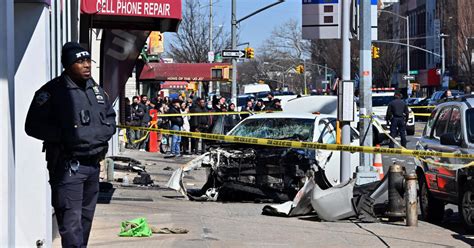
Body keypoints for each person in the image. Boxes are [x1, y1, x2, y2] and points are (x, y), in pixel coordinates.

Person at [25, 42, 116, 247]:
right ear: (67, 65)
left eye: (87, 61)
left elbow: (110, 118)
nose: (86, 65)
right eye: (79, 61)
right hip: (68, 167)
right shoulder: (53, 92)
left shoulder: (96, 91)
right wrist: (66, 135)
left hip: (92, 165)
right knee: (70, 222)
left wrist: (101, 135)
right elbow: (32, 126)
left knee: (85, 221)